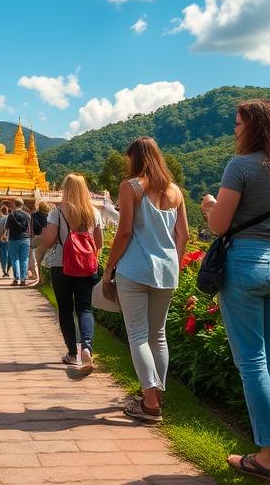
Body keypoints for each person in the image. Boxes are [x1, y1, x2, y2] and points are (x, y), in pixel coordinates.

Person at [201, 99, 270, 482]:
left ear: (254, 128)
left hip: (246, 263)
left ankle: (266, 457)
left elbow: (218, 226)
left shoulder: (241, 166)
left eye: (238, 124)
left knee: (252, 362)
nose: (235, 130)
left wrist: (211, 206)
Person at [103, 137, 189, 423]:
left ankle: (150, 403)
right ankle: (156, 396)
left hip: (135, 269)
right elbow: (183, 235)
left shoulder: (131, 187)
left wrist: (108, 269)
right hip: (166, 271)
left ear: (135, 159)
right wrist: (172, 262)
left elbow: (124, 233)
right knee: (158, 335)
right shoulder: (175, 191)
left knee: (138, 335)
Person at [37, 173, 104, 372]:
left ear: (65, 189)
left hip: (62, 265)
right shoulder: (94, 212)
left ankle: (72, 354)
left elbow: (48, 241)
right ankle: (87, 348)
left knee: (65, 310)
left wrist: (48, 236)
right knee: (85, 308)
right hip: (86, 265)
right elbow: (99, 243)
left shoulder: (57, 212)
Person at [6, 198, 32, 286]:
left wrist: (4, 235)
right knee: (24, 259)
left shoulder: (11, 215)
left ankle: (16, 279)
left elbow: (7, 227)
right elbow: (29, 229)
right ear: (22, 205)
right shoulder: (27, 215)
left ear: (14, 204)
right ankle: (23, 280)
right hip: (25, 239)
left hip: (13, 239)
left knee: (15, 260)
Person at [29, 201, 51, 283]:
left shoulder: (33, 216)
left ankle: (40, 279)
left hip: (37, 238)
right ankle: (46, 279)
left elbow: (31, 229)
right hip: (47, 238)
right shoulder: (49, 216)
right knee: (47, 259)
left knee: (38, 260)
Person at [0, 204, 11, 277]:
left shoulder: (1, 219)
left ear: (1, 211)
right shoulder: (10, 218)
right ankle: (7, 270)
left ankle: (4, 270)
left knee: (3, 255)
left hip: (2, 240)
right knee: (9, 255)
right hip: (9, 239)